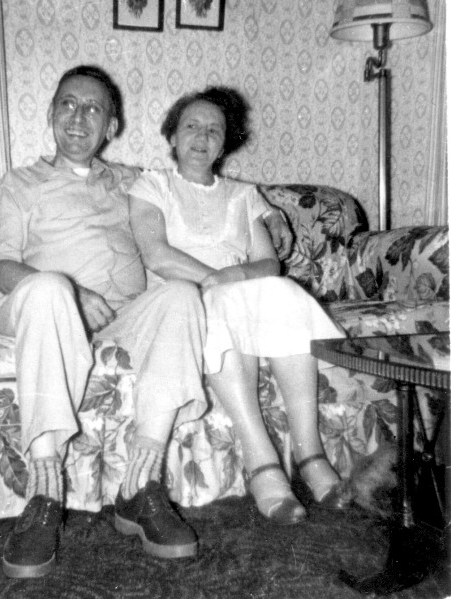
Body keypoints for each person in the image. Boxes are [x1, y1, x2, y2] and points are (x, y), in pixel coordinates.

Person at [0, 65, 294, 578]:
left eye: (93, 109)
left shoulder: (132, 181)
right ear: (51, 113)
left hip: (124, 312)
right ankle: (43, 496)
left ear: (111, 127)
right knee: (48, 289)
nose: (78, 117)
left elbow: (200, 187)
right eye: (68, 104)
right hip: (43, 308)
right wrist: (74, 293)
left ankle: (140, 487)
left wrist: (271, 214)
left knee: (179, 295)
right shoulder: (20, 183)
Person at [128, 87, 348, 527]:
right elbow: (156, 254)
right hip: (180, 298)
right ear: (172, 136)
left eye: (214, 130)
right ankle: (261, 461)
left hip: (235, 289)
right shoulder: (152, 185)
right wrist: (213, 280)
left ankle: (309, 452)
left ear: (225, 143)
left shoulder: (243, 194)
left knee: (284, 292)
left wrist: (230, 277)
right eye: (191, 126)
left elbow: (267, 262)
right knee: (221, 302)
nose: (202, 137)